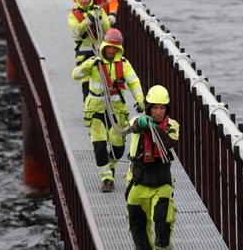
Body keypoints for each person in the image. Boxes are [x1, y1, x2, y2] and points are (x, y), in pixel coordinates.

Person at [71, 28, 145, 192]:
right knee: (99, 146)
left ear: (119, 49)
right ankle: (107, 179)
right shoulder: (94, 62)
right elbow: (75, 75)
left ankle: (110, 165)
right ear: (104, 46)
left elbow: (134, 82)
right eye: (109, 47)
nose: (111, 50)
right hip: (96, 110)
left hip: (116, 111)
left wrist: (140, 99)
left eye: (115, 48)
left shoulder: (124, 64)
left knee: (118, 149)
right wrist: (89, 64)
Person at [125, 85, 180, 250]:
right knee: (138, 228)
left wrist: (154, 127)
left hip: (161, 183)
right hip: (138, 181)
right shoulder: (137, 121)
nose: (158, 112)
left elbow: (169, 142)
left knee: (163, 223)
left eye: (162, 108)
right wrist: (142, 123)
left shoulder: (173, 126)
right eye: (154, 107)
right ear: (148, 108)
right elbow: (133, 125)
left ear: (167, 109)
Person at [68, 0, 110, 102]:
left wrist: (100, 19)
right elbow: (77, 31)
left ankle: (103, 108)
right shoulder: (73, 15)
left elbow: (106, 29)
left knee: (102, 82)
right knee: (86, 84)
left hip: (99, 52)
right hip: (83, 56)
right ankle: (88, 109)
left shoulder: (99, 11)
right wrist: (90, 19)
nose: (83, 1)